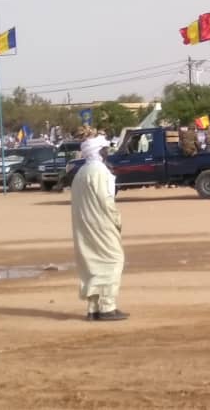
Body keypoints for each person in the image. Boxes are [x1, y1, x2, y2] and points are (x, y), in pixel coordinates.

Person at [71, 136, 128, 321]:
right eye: (104, 149)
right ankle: (107, 308)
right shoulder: (99, 171)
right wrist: (116, 220)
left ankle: (93, 308)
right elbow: (106, 200)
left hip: (84, 225)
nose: (107, 152)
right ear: (98, 151)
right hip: (101, 223)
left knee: (93, 265)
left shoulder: (81, 172)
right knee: (113, 260)